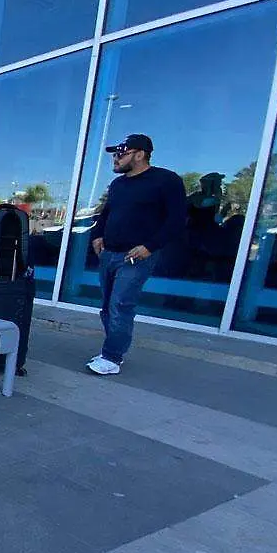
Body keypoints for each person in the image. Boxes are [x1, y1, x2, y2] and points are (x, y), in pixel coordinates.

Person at [87, 134, 186, 375]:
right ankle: (112, 349)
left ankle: (112, 357)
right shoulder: (118, 185)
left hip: (136, 255)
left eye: (121, 153)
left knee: (121, 304)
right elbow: (107, 212)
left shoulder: (165, 180)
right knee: (107, 307)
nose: (115, 158)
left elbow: (176, 220)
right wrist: (98, 235)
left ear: (139, 154)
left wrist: (150, 246)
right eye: (114, 154)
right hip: (109, 253)